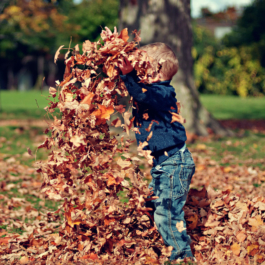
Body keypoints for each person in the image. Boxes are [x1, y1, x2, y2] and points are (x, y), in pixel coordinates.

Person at [118, 42, 196, 262]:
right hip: (165, 164)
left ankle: (182, 255)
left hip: (174, 163)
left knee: (168, 213)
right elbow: (137, 91)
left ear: (156, 70)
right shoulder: (151, 91)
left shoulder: (162, 92)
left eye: (143, 68)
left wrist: (128, 76)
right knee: (152, 203)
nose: (139, 72)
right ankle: (162, 241)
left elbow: (142, 95)